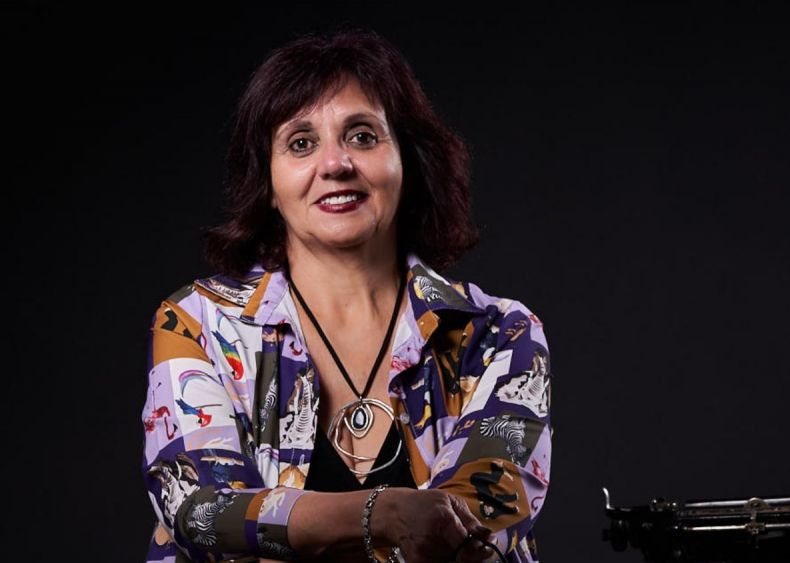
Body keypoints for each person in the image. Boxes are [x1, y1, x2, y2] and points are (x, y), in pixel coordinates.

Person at [140, 29, 553, 563]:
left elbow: (474, 523)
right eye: (301, 143)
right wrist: (382, 514)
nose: (335, 164)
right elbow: (199, 509)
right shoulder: (198, 324)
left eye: (362, 136)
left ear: (407, 160)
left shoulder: (499, 335)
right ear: (268, 182)